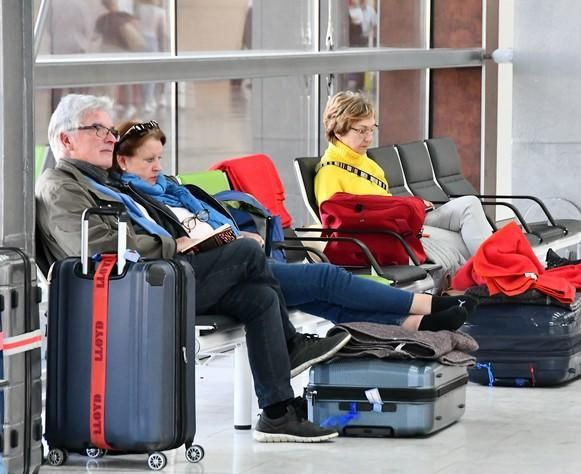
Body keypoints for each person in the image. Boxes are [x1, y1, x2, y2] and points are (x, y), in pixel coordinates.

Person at [35, 94, 350, 443]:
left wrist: (194, 238)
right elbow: (96, 248)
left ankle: (277, 414)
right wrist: (172, 245)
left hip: (159, 278)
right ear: (66, 139)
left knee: (259, 297)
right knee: (246, 252)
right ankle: (291, 346)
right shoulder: (62, 187)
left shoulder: (103, 181)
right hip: (134, 292)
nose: (110, 136)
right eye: (98, 129)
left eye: (110, 129)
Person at [110, 119, 478, 332]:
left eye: (159, 157)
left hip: (236, 261)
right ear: (123, 163)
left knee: (316, 296)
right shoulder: (134, 200)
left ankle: (411, 323)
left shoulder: (174, 189)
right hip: (209, 276)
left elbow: (210, 222)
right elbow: (160, 245)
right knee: (325, 280)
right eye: (148, 160)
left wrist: (238, 236)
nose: (158, 166)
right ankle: (426, 306)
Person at [314, 91, 496, 274]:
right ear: (338, 130)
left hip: (402, 223)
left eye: (372, 129)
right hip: (391, 235)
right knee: (466, 241)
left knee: (469, 204)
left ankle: (496, 275)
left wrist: (410, 207)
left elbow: (383, 203)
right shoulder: (330, 174)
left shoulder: (366, 162)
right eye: (361, 130)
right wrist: (406, 207)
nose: (369, 138)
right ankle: (497, 277)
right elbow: (339, 225)